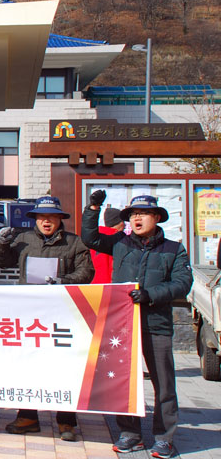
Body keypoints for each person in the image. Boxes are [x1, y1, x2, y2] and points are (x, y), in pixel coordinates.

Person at [81, 192, 193, 459]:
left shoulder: (174, 249)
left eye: (143, 214)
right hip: (123, 325)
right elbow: (90, 238)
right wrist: (92, 208)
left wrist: (151, 294)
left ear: (156, 217)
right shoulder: (120, 242)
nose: (137, 218)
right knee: (123, 380)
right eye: (133, 215)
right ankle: (130, 433)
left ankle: (164, 438)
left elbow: (182, 284)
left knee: (163, 383)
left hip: (156, 324)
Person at [0, 195, 94, 441]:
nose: (46, 221)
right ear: (35, 219)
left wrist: (64, 281)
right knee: (28, 364)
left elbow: (87, 271)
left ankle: (66, 421)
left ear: (60, 219)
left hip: (62, 314)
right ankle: (27, 416)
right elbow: (4, 262)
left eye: (51, 217)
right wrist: (2, 244)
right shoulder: (24, 240)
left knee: (64, 366)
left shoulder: (73, 242)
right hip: (30, 314)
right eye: (41, 217)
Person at [90, 207, 125, 284]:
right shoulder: (119, 240)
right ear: (120, 223)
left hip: (92, 286)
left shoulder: (94, 239)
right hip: (111, 286)